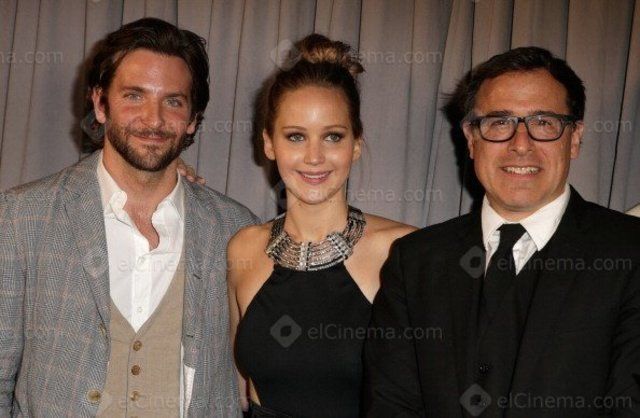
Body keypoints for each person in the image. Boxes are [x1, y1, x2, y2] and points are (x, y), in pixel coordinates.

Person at [0, 18, 257, 417]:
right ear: (100, 104)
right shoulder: (22, 218)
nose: (153, 120)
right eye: (134, 96)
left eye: (173, 101)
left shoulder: (236, 230)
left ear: (192, 118)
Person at [364, 47, 640, 417]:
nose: (520, 144)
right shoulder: (415, 260)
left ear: (574, 137)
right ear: (471, 138)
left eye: (543, 122)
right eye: (498, 123)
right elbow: (390, 404)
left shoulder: (630, 251)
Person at [226, 34, 416, 418]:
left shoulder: (403, 251)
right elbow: (239, 389)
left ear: (356, 144)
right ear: (269, 143)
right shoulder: (243, 249)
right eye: (296, 136)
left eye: (332, 136)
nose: (314, 157)